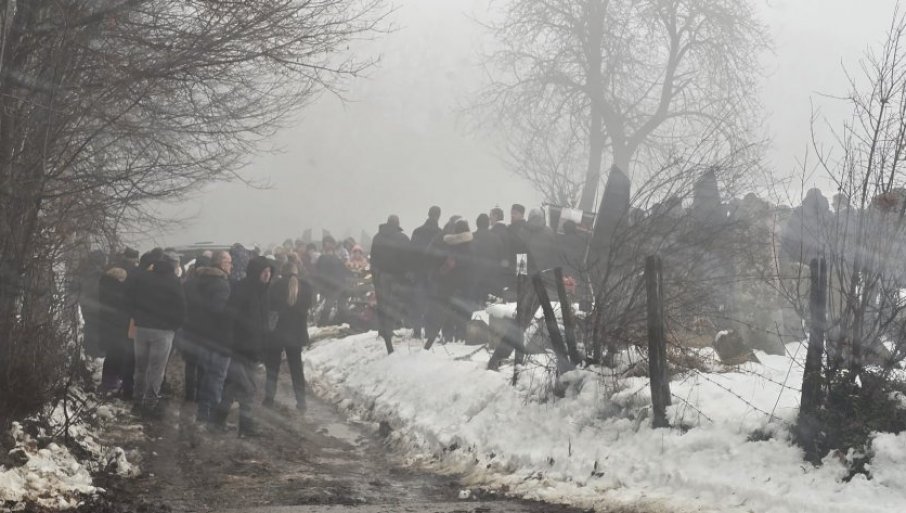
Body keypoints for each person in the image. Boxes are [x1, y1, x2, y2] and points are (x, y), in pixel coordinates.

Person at [214, 256, 273, 437]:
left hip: (253, 350)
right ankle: (245, 428)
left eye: (269, 272)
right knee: (248, 388)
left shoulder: (264, 293)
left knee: (233, 387)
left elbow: (263, 323)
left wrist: (264, 347)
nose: (267, 275)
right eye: (264, 272)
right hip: (237, 349)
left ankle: (217, 422)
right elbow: (228, 319)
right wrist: (228, 344)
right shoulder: (241, 290)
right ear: (255, 272)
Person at [127, 251, 187, 419]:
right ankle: (150, 404)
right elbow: (181, 307)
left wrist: (137, 317)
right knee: (156, 369)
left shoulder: (144, 277)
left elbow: (130, 299)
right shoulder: (174, 281)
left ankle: (137, 401)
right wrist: (174, 326)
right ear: (173, 265)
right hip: (163, 331)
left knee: (140, 367)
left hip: (142, 328)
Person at [186, 251, 234, 426]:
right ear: (220, 263)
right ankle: (212, 416)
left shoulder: (196, 280)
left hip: (198, 334)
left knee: (206, 375)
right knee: (217, 377)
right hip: (217, 337)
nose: (231, 266)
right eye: (229, 262)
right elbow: (219, 311)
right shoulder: (221, 284)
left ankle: (203, 412)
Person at [264, 262, 314, 411]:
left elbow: (269, 306)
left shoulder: (275, 286)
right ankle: (301, 402)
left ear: (282, 272)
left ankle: (269, 399)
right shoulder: (307, 287)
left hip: (277, 333)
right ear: (297, 272)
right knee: (296, 368)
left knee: (272, 368)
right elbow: (309, 306)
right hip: (296, 333)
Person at [424, 219, 474, 349]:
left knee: (446, 311)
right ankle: (461, 336)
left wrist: (438, 274)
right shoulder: (472, 246)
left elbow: (442, 264)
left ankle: (447, 336)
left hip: (448, 284)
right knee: (463, 311)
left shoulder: (448, 245)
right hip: (466, 284)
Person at [98, 249, 138, 397]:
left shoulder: (105, 286)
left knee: (112, 355)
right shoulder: (118, 290)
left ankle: (108, 383)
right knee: (116, 355)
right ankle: (111, 383)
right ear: (119, 279)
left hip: (108, 325)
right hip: (118, 326)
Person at [370, 215, 411, 353]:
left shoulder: (377, 237)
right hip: (397, 277)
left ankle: (382, 331)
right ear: (397, 224)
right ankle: (389, 330)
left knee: (382, 303)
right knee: (393, 304)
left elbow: (373, 258)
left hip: (380, 276)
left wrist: (375, 276)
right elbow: (408, 259)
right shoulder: (402, 239)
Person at [410, 206, 442, 338]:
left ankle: (417, 330)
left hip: (419, 272)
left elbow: (411, 253)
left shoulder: (417, 232)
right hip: (434, 274)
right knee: (432, 303)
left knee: (418, 302)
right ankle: (430, 332)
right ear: (439, 216)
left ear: (428, 214)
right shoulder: (440, 234)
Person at [315, 236, 351, 326]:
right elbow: (320, 272)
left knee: (340, 304)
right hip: (331, 285)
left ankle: (341, 321)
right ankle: (323, 323)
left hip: (339, 284)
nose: (330, 245)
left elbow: (343, 269)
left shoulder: (335, 258)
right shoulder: (323, 258)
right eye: (328, 243)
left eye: (331, 243)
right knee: (329, 304)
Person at [471, 213, 506, 302]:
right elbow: (502, 259)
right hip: (492, 279)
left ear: (477, 223)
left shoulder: (471, 238)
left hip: (475, 279)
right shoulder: (496, 239)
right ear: (488, 224)